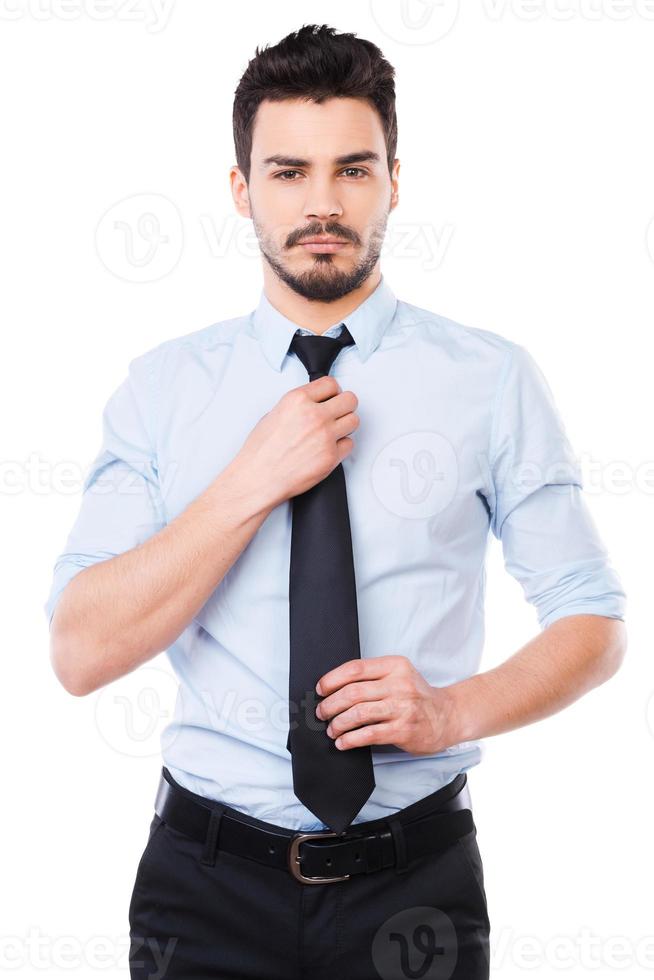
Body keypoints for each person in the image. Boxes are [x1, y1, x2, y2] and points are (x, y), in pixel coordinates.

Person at [45, 23, 627, 980]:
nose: (323, 203)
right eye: (287, 173)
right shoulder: (161, 390)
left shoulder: (491, 379)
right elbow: (78, 652)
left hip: (416, 885)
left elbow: (594, 619)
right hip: (204, 886)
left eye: (354, 170)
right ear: (241, 192)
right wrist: (250, 480)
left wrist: (452, 711)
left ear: (397, 181)